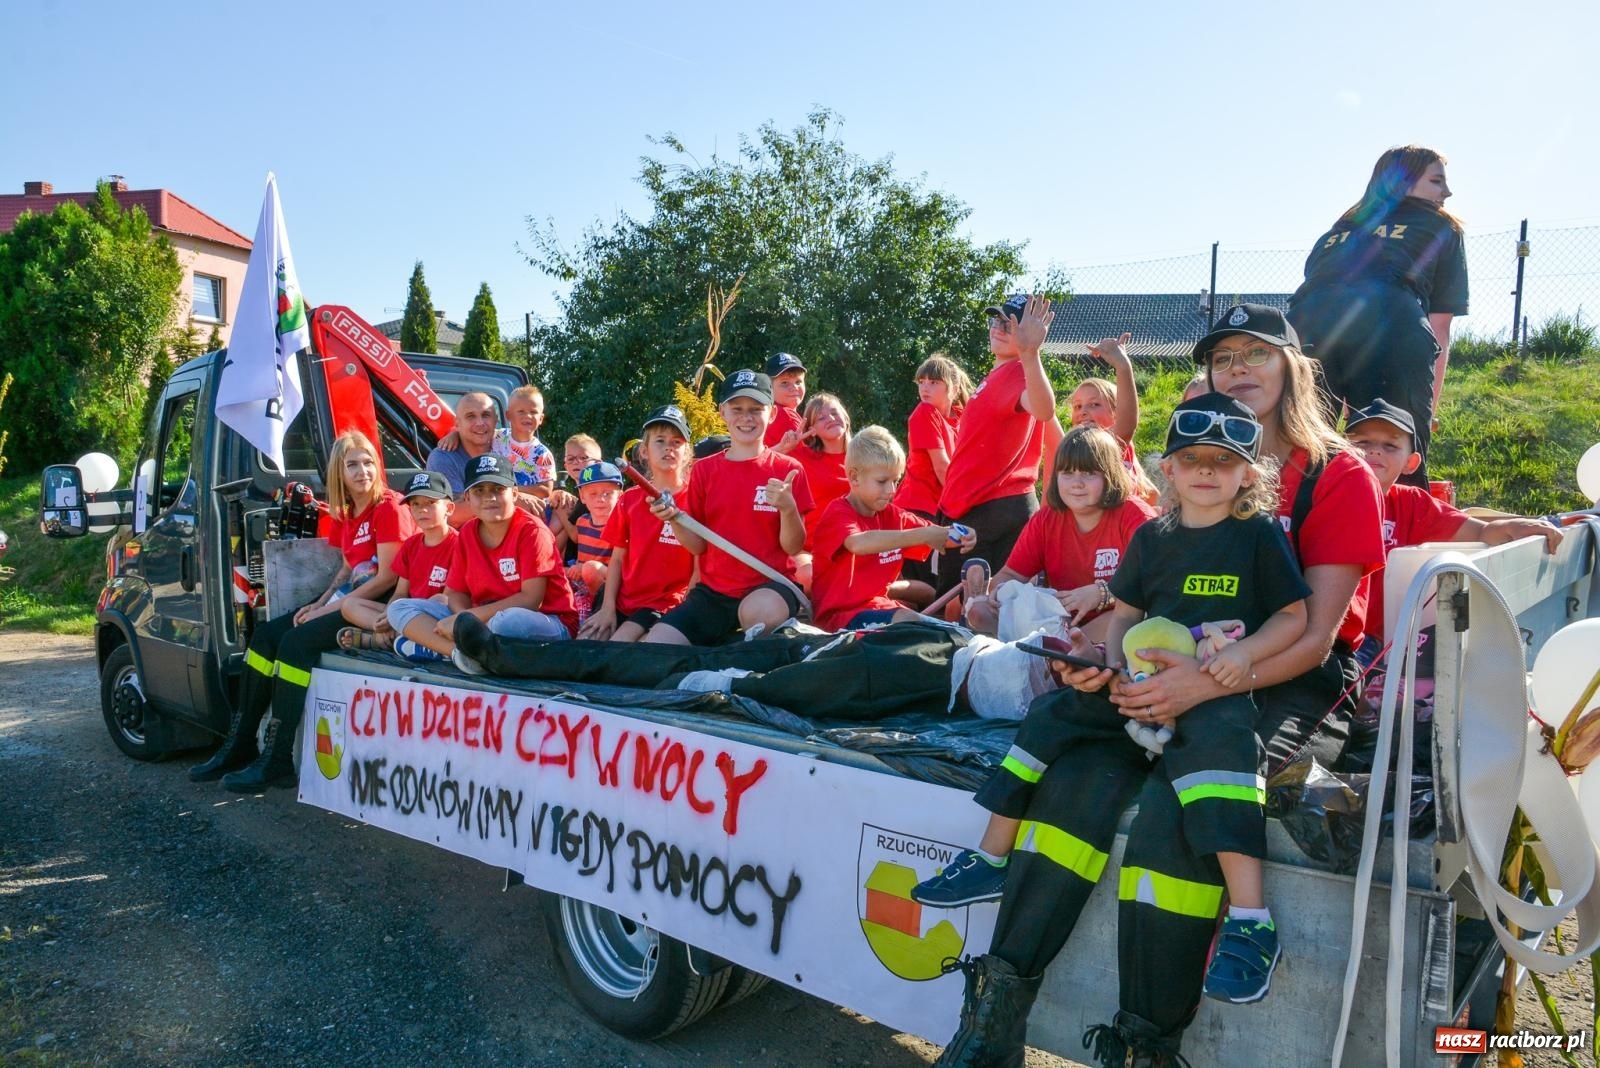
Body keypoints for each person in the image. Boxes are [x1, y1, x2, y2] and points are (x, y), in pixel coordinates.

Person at [933, 304, 1384, 1067]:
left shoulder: (1339, 473)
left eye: (1257, 354)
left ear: (1295, 369)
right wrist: (1101, 662)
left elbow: (1310, 636)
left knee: (1177, 810)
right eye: (1223, 358)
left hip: (1280, 679)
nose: (1238, 369)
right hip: (1164, 666)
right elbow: (1137, 609)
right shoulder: (1176, 495)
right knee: (1074, 778)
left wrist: (1198, 690)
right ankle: (997, 1011)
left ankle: (1143, 1045)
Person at [190, 430, 415, 791]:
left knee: (295, 644)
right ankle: (242, 741)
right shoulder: (346, 512)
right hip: (348, 600)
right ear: (338, 473)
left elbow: (389, 576)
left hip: (380, 607)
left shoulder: (389, 506)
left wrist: (329, 610)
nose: (363, 471)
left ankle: (278, 758)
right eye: (352, 464)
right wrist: (320, 603)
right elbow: (345, 569)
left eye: (369, 462)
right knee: (265, 637)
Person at [1288, 145, 1469, 485]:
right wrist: (1425, 411)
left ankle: (1294, 531)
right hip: (1391, 327)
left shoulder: (1341, 226)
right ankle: (1394, 530)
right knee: (1392, 450)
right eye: (1437, 181)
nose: (1447, 191)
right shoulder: (1441, 226)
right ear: (1403, 182)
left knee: (1305, 452)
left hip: (1305, 327)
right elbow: (1439, 326)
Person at [1344, 397, 1562, 646]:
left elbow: (1482, 532)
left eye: (1390, 445)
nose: (1374, 451)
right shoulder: (1322, 498)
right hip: (1334, 634)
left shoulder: (1412, 504)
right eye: (1362, 443)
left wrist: (1518, 526)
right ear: (1338, 451)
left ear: (1411, 462)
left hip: (1387, 642)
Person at [644, 370, 814, 645]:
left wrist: (788, 508)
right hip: (714, 593)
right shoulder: (703, 471)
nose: (746, 417)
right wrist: (674, 518)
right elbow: (698, 546)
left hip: (770, 587)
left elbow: (794, 547)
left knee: (758, 615)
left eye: (756, 409)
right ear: (723, 412)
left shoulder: (788, 469)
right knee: (657, 645)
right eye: (737, 409)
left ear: (771, 414)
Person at [963, 425, 1157, 643]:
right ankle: (1049, 650)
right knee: (980, 611)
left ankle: (1059, 652)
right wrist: (997, 593)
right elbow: (1011, 574)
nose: (1077, 484)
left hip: (1116, 622)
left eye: (1089, 473)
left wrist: (1103, 594)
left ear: (1112, 475)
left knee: (1127, 618)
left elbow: (1157, 581)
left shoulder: (1137, 517)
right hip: (1056, 620)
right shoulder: (1046, 519)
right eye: (1067, 473)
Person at [387, 453, 577, 674]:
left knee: (505, 623)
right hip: (480, 619)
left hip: (547, 621)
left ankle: (445, 646)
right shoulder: (467, 532)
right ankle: (459, 654)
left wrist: (464, 621)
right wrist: (464, 620)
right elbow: (456, 592)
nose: (489, 497)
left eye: (498, 489)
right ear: (467, 498)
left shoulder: (532, 531)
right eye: (479, 491)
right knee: (399, 609)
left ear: (514, 493)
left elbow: (531, 600)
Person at [936, 294, 1057, 593]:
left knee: (967, 610)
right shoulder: (1001, 374)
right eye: (996, 320)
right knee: (964, 607)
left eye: (1010, 324)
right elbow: (1058, 436)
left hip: (989, 507)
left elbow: (1044, 410)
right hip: (980, 504)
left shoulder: (1020, 371)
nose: (998, 329)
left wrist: (1030, 354)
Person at [809, 426, 975, 632]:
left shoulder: (893, 514)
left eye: (895, 481)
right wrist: (921, 535)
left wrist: (964, 534)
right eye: (882, 481)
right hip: (839, 621)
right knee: (909, 621)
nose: (891, 490)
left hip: (880, 608)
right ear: (854, 477)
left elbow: (939, 535)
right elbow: (858, 543)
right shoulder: (838, 513)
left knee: (937, 629)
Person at [579, 405, 695, 642]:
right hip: (622, 600)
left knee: (618, 647)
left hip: (661, 604)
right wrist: (608, 608)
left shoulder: (695, 498)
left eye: (677, 442)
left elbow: (699, 563)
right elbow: (618, 558)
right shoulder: (630, 499)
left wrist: (686, 614)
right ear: (644, 450)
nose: (668, 449)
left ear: (687, 451)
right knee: (584, 646)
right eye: (660, 441)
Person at [337, 470, 458, 651]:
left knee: (438, 599)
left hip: (438, 616)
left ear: (448, 508)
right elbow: (401, 593)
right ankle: (388, 632)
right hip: (406, 611)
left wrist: (400, 613)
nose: (422, 509)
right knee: (349, 605)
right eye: (415, 504)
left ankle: (375, 640)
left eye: (430, 503)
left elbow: (448, 599)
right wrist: (388, 614)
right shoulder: (411, 545)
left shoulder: (459, 543)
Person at [897, 354, 974, 590]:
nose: (925, 388)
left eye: (934, 382)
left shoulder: (962, 417)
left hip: (940, 510)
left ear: (954, 388)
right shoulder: (924, 413)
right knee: (926, 587)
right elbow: (942, 468)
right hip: (918, 512)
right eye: (921, 382)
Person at [1068, 334, 1159, 503]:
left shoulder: (1117, 443)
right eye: (1077, 406)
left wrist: (1123, 367)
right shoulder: (1079, 446)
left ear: (1116, 412)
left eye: (1094, 404)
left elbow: (1150, 492)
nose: (1083, 411)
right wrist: (1122, 366)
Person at [565, 461, 625, 622]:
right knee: (556, 571)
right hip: (582, 577)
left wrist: (584, 567)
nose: (600, 499)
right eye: (593, 494)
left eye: (607, 493)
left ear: (620, 495)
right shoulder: (582, 522)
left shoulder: (622, 525)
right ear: (582, 497)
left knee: (591, 569)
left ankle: (596, 607)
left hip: (608, 581)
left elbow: (620, 564)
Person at [427, 392, 498, 495]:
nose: (480, 423)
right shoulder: (443, 458)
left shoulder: (508, 445)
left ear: (496, 419)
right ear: (457, 423)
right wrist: (516, 497)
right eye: (470, 416)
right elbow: (455, 507)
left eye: (486, 415)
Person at [493, 385, 557, 499]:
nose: (527, 416)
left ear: (541, 419)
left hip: (530, 509)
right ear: (508, 415)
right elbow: (473, 434)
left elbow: (546, 489)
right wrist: (455, 435)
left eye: (533, 412)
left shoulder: (542, 454)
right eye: (521, 411)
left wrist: (509, 490)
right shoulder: (498, 436)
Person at [764, 352, 808, 449]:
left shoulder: (768, 413)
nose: (794, 387)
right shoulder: (785, 415)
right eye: (785, 383)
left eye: (798, 382)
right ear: (769, 387)